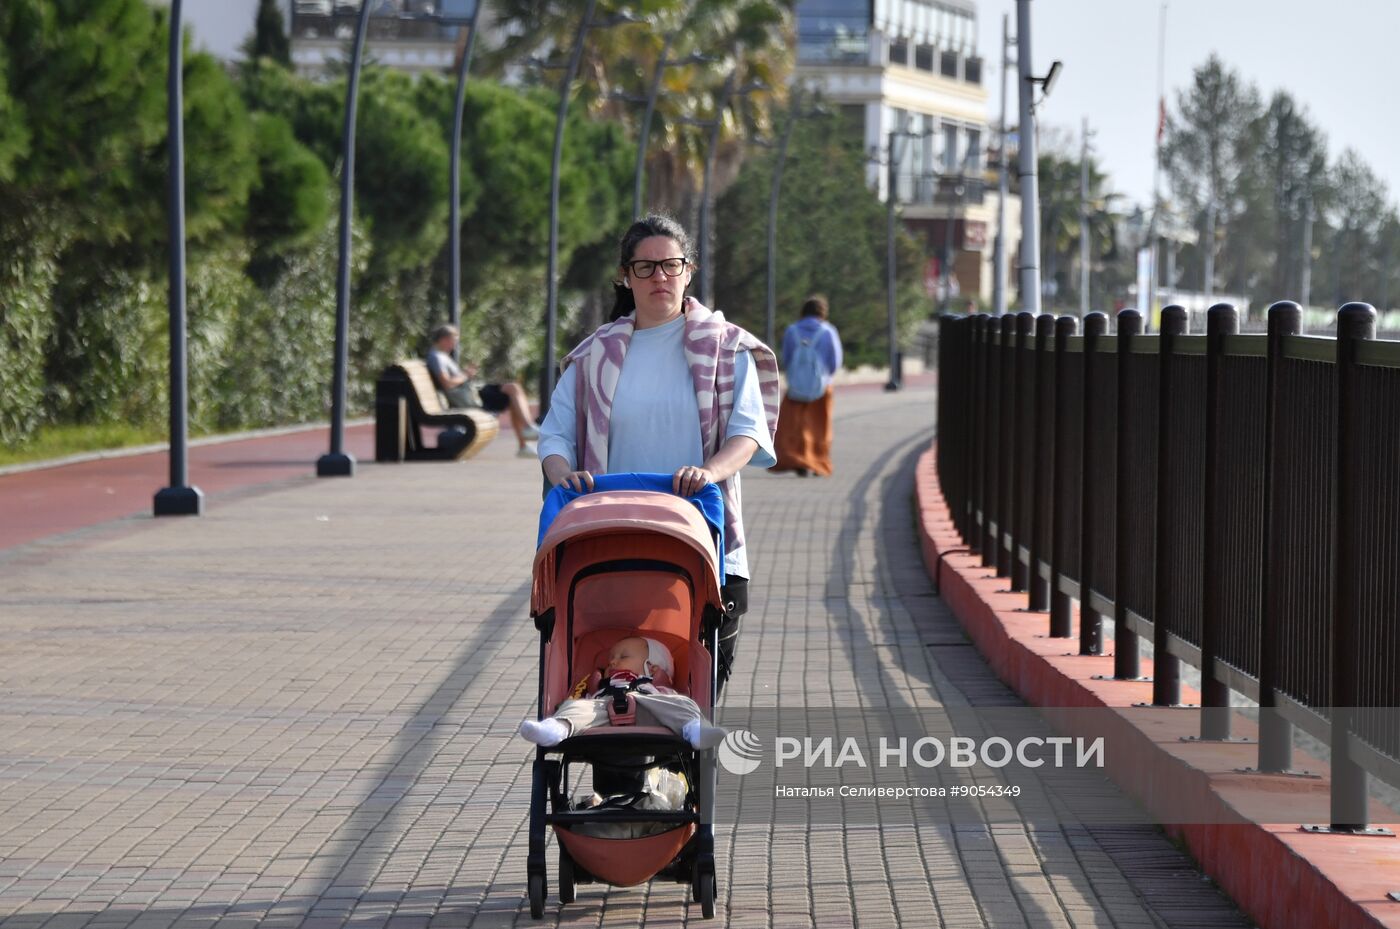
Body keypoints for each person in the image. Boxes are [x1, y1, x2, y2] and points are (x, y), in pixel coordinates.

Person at [536, 214, 780, 697]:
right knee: (609, 694)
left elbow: (748, 434)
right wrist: (567, 476)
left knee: (693, 692)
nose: (659, 278)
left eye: (670, 265)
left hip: (705, 547)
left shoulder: (726, 349)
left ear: (690, 271)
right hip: (610, 545)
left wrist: (708, 472)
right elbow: (555, 437)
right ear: (625, 277)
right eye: (644, 268)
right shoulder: (594, 356)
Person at [517, 636, 725, 749]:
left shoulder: (653, 685)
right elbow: (587, 699)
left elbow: (668, 699)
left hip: (649, 710)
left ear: (652, 667)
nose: (613, 661)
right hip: (602, 712)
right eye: (610, 659)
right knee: (575, 706)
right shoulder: (603, 683)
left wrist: (662, 681)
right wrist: (593, 685)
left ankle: (695, 729)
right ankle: (557, 728)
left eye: (623, 656)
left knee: (682, 703)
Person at [425, 324, 540, 458]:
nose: (455, 344)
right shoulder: (436, 357)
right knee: (512, 388)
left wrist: (465, 374)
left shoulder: (441, 356)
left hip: (471, 394)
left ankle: (524, 443)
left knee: (513, 392)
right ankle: (527, 430)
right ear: (444, 339)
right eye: (453, 340)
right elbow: (447, 383)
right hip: (470, 400)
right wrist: (465, 375)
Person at [770, 295, 843, 477]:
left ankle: (798, 460)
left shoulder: (791, 331)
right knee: (820, 427)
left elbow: (786, 358)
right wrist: (826, 377)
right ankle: (818, 462)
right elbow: (835, 361)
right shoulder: (828, 331)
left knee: (795, 425)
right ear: (823, 312)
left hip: (796, 388)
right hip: (822, 388)